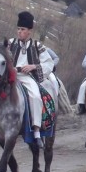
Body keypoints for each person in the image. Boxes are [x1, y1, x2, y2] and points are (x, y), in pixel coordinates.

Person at [6, 11, 54, 149]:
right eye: (18, 29)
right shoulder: (10, 43)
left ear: (29, 31)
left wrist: (33, 66)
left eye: (22, 29)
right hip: (11, 76)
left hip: (28, 77)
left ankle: (37, 131)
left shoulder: (37, 45)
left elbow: (49, 63)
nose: (19, 32)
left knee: (35, 96)